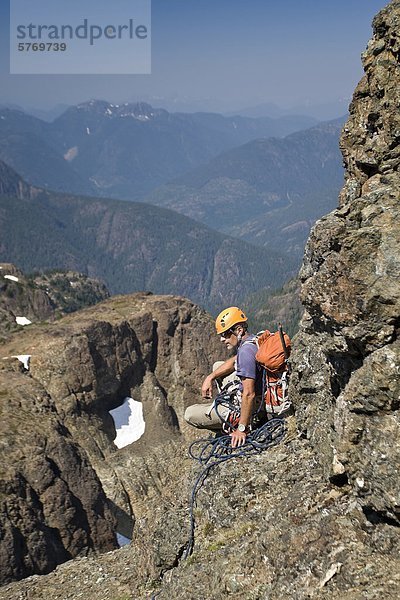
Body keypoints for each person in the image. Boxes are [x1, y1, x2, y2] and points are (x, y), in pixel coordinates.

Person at [184, 306, 262, 448]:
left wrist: (241, 429)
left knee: (189, 414)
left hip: (252, 406)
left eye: (225, 334)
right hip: (259, 394)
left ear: (239, 330)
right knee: (218, 365)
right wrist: (211, 377)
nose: (221, 339)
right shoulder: (252, 341)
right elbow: (234, 361)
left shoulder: (245, 353)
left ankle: (234, 421)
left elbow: (249, 394)